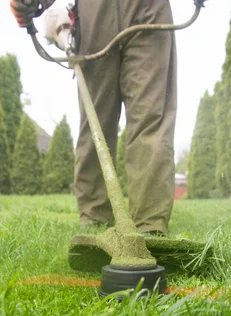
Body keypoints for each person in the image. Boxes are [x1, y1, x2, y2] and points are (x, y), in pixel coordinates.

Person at [10, 0, 177, 236]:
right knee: (95, 122)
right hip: (94, 12)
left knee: (151, 118)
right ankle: (95, 220)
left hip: (149, 10)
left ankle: (150, 227)